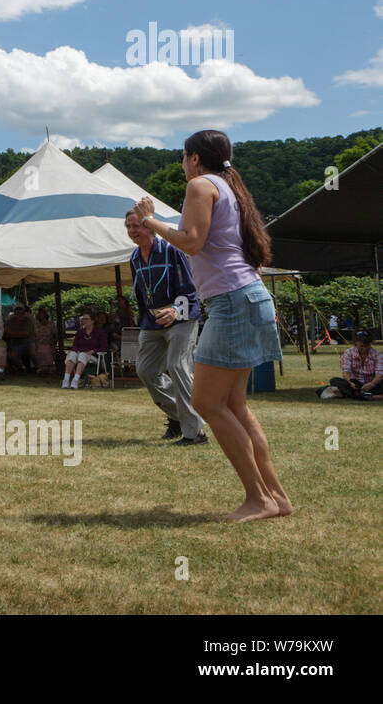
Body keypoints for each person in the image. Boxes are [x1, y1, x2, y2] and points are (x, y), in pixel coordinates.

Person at [134, 129, 291, 522]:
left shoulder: (201, 185)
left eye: (183, 158)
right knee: (233, 404)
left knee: (206, 403)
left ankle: (260, 499)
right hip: (248, 297)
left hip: (232, 303)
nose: (182, 165)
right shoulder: (229, 186)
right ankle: (277, 498)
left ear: (194, 159)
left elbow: (190, 241)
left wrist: (148, 220)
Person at [125, 210, 206, 444]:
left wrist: (174, 311)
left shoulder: (172, 251)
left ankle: (195, 433)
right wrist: (143, 322)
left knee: (177, 366)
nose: (132, 231)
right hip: (152, 322)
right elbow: (141, 293)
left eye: (136, 226)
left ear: (150, 227)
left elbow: (190, 290)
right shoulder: (134, 258)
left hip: (181, 318)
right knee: (146, 370)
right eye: (128, 227)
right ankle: (178, 416)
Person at [331, 330, 383, 400]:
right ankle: (368, 396)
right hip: (354, 384)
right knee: (334, 380)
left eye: (367, 346)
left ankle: (354, 395)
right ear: (356, 343)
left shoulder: (377, 354)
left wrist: (372, 384)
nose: (364, 349)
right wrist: (350, 382)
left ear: (371, 343)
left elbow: (380, 374)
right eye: (361, 346)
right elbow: (346, 371)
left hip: (372, 383)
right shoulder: (348, 353)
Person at [61, 313, 107, 388]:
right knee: (72, 354)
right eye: (83, 319)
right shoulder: (80, 332)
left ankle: (75, 380)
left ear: (92, 321)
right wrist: (76, 351)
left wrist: (93, 351)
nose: (84, 321)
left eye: (86, 319)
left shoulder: (99, 332)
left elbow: (104, 347)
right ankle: (66, 380)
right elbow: (74, 346)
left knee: (83, 355)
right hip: (80, 353)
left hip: (93, 356)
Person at [2, 304, 37, 374]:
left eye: (21, 311)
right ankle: (21, 367)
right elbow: (5, 333)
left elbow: (26, 334)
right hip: (15, 344)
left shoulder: (28, 321)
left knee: (33, 351)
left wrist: (12, 334)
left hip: (28, 343)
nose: (19, 313)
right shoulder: (10, 321)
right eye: (17, 311)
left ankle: (37, 368)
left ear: (24, 312)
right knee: (11, 356)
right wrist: (19, 334)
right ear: (14, 312)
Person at [33, 307, 57, 371]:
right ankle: (39, 368)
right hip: (38, 343)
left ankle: (48, 367)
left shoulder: (51, 324)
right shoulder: (36, 324)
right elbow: (33, 335)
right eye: (39, 314)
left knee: (47, 349)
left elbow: (55, 335)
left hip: (49, 343)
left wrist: (53, 341)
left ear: (45, 315)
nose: (40, 315)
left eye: (42, 314)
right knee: (36, 348)